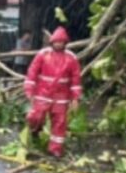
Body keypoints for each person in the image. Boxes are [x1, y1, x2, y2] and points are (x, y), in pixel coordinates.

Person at [24, 26, 82, 158]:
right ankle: (35, 131)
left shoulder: (71, 58)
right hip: (42, 94)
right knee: (35, 116)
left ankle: (55, 149)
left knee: (60, 122)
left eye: (61, 42)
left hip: (61, 97)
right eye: (56, 41)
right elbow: (32, 73)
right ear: (52, 42)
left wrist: (75, 98)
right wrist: (29, 91)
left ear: (65, 43)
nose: (58, 44)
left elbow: (76, 80)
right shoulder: (43, 54)